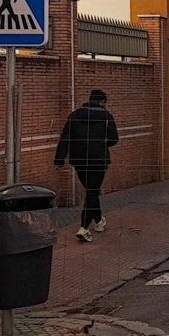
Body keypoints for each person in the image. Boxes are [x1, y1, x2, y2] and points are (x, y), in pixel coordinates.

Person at [54, 89, 119, 242]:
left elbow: (65, 137)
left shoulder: (75, 115)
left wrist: (59, 158)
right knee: (92, 191)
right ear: (103, 101)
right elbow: (114, 139)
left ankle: (98, 221)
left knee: (91, 190)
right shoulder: (107, 117)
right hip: (98, 159)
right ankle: (84, 227)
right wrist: (101, 144)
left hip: (79, 159)